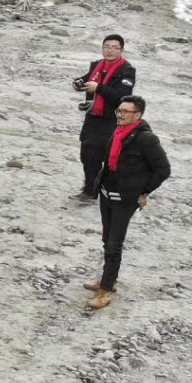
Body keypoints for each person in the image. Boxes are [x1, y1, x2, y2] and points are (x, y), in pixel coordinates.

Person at [86, 95, 170, 310]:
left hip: (125, 200)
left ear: (138, 115)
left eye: (125, 112)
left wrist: (144, 191)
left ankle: (106, 290)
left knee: (114, 244)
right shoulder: (117, 131)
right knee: (107, 239)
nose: (120, 115)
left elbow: (163, 169)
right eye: (119, 111)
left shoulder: (146, 139)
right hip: (106, 194)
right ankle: (107, 279)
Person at [72, 34, 137, 201]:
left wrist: (99, 88)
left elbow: (122, 97)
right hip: (92, 116)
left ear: (121, 50)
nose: (110, 50)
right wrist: (79, 82)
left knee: (100, 156)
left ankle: (91, 191)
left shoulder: (127, 70)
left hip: (110, 120)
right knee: (86, 154)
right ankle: (91, 186)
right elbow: (88, 79)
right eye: (106, 46)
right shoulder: (98, 65)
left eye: (115, 47)